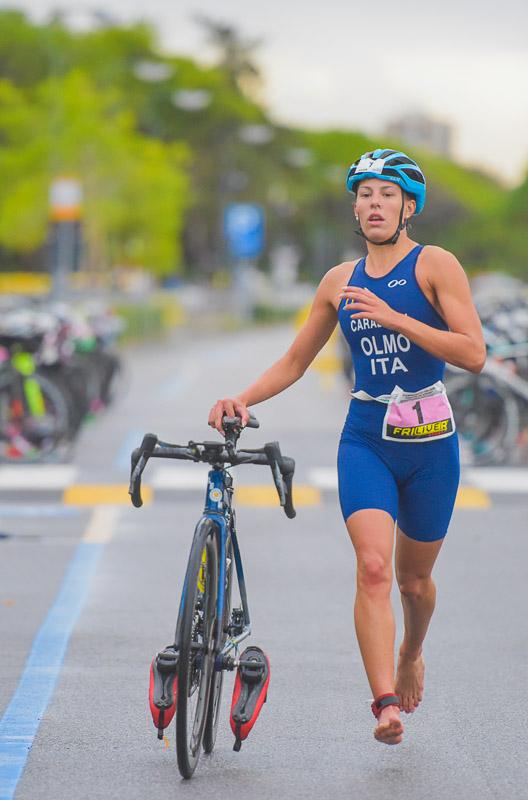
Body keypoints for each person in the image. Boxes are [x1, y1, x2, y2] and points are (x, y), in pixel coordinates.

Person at [207, 149, 485, 745]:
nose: (374, 204)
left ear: (409, 206)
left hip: (431, 443)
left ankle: (412, 651)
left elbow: (473, 353)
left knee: (415, 582)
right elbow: (294, 360)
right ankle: (384, 703)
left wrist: (395, 317)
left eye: (387, 194)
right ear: (355, 209)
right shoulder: (339, 281)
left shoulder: (435, 265)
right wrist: (243, 398)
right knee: (374, 567)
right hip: (366, 440)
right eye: (364, 195)